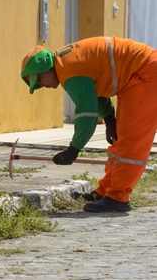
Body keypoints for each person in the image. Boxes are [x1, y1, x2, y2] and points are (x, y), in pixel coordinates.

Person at [20, 36, 157, 213]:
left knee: (131, 142)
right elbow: (96, 92)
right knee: (121, 139)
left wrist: (74, 149)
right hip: (139, 73)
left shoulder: (70, 72)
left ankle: (118, 197)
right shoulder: (68, 63)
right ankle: (105, 191)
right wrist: (109, 118)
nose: (41, 85)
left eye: (39, 80)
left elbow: (87, 114)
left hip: (146, 73)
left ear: (46, 69)